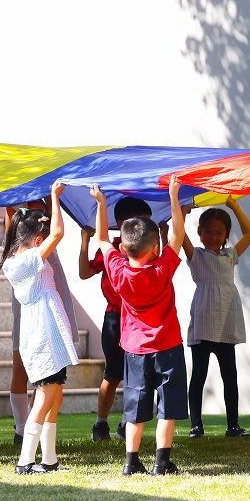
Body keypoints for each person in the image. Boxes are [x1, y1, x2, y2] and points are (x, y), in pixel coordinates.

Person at [101, 182, 189, 476]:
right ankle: (161, 462)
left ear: (123, 247)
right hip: (167, 346)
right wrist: (174, 196)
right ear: (155, 248)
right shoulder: (162, 268)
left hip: (135, 350)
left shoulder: (117, 270)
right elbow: (177, 233)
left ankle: (131, 461)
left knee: (136, 403)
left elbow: (102, 240)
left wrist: (101, 202)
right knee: (169, 404)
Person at [0, 181, 79, 474]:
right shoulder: (25, 262)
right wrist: (55, 199)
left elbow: (14, 225)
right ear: (35, 241)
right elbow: (58, 232)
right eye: (41, 237)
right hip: (43, 335)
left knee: (54, 395)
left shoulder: (15, 257)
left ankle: (49, 460)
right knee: (45, 396)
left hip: (48, 332)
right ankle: (25, 461)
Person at [175, 195, 250, 437]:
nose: (213, 237)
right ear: (199, 232)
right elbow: (178, 235)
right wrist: (183, 212)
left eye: (219, 233)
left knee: (230, 375)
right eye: (208, 232)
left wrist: (235, 206)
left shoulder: (230, 256)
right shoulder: (196, 256)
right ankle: (196, 425)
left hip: (226, 324)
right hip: (203, 323)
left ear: (226, 235)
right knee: (198, 374)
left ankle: (233, 425)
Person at [80, 196, 150, 441]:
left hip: (139, 321)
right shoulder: (113, 248)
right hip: (115, 318)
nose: (145, 227)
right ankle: (101, 424)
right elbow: (84, 272)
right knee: (112, 373)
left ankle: (125, 424)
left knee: (138, 375)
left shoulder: (147, 248)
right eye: (141, 221)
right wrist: (84, 242)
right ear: (122, 223)